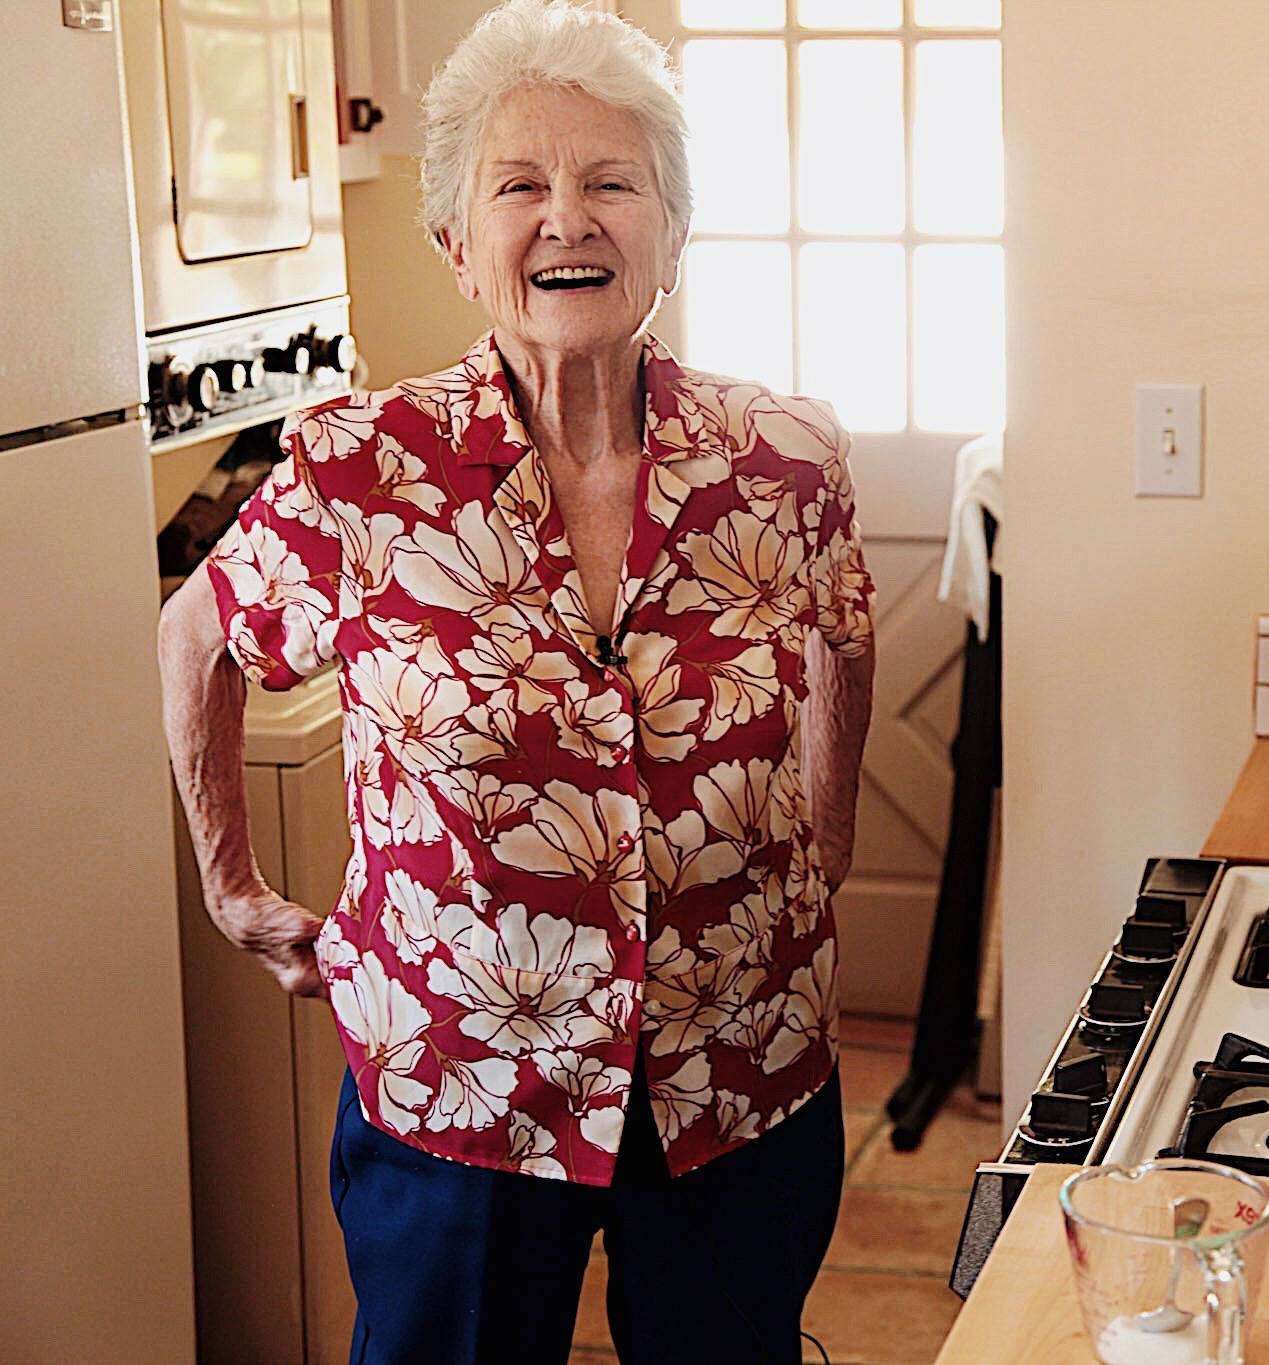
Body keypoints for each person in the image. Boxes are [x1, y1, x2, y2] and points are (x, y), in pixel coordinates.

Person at [157, 2, 876, 1359]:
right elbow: (195, 632)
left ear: (672, 230)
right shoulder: (355, 472)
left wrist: (827, 830)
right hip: (460, 1081)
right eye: (521, 186)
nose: (570, 219)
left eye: (613, 182)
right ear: (456, 242)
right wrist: (230, 883)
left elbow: (846, 624)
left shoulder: (787, 457)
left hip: (740, 1052)